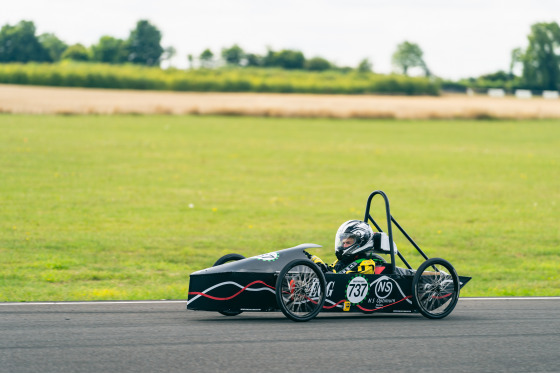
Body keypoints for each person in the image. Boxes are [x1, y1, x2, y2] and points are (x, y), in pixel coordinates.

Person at [310, 220, 398, 274]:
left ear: (360, 242)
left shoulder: (367, 264)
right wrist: (315, 262)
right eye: (343, 243)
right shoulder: (341, 262)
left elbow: (345, 278)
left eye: (348, 243)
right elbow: (330, 271)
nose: (344, 246)